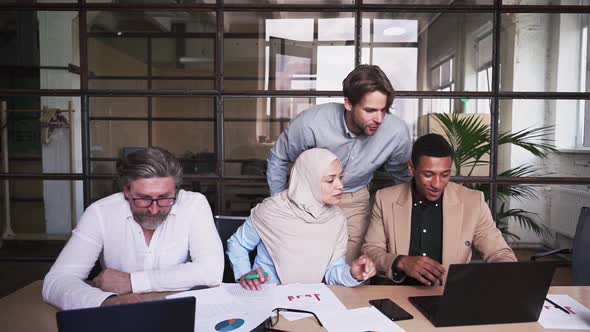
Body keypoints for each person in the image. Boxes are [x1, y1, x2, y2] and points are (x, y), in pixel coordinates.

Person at [42, 148, 224, 310]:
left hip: (179, 312)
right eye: (143, 198)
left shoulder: (194, 204)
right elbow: (57, 280)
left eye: (165, 197)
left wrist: (132, 281)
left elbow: (211, 271)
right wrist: (106, 302)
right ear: (126, 191)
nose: (154, 209)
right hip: (122, 316)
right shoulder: (100, 213)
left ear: (175, 190)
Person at [266, 65, 412, 264]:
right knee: (304, 265)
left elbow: (401, 178)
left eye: (384, 110)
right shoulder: (311, 123)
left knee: (352, 270)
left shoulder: (396, 132)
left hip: (355, 200)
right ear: (348, 103)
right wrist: (281, 204)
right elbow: (279, 159)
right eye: (370, 110)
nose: (379, 119)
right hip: (308, 199)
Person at [362, 134, 516, 286]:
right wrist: (401, 262)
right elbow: (371, 250)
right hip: (396, 296)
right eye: (428, 175)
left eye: (445, 175)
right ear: (411, 168)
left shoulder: (473, 202)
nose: (437, 184)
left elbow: (499, 253)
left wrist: (510, 276)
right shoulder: (385, 199)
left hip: (449, 298)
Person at [228, 148, 376, 290]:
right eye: (330, 180)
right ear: (308, 181)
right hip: (266, 294)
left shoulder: (337, 218)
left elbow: (332, 272)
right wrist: (243, 273)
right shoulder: (272, 210)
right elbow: (238, 244)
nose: (340, 185)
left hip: (309, 300)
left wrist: (352, 274)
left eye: (341, 177)